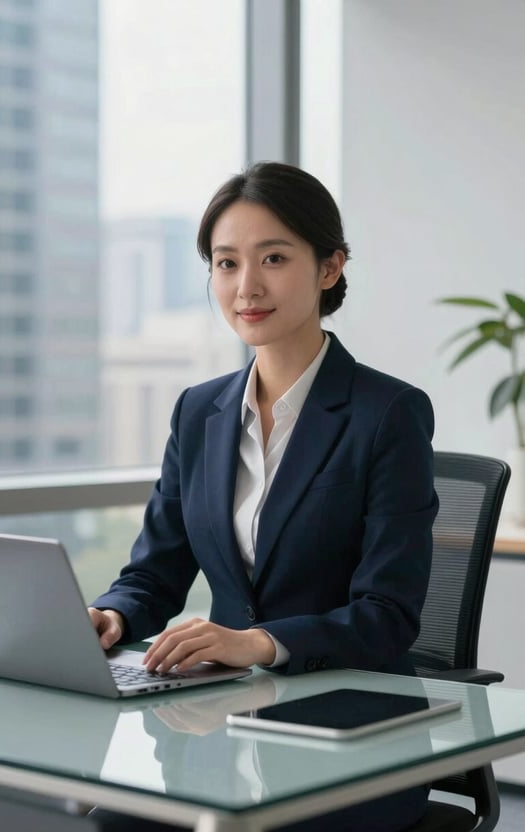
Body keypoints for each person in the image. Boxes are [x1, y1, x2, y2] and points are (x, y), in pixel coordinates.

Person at [88, 162, 439, 832]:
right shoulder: (199, 412)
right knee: (115, 822)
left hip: (352, 734)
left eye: (273, 258)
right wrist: (111, 615)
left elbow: (386, 615)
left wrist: (257, 642)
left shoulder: (386, 412)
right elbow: (154, 573)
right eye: (225, 263)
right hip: (218, 726)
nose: (246, 286)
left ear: (329, 267)